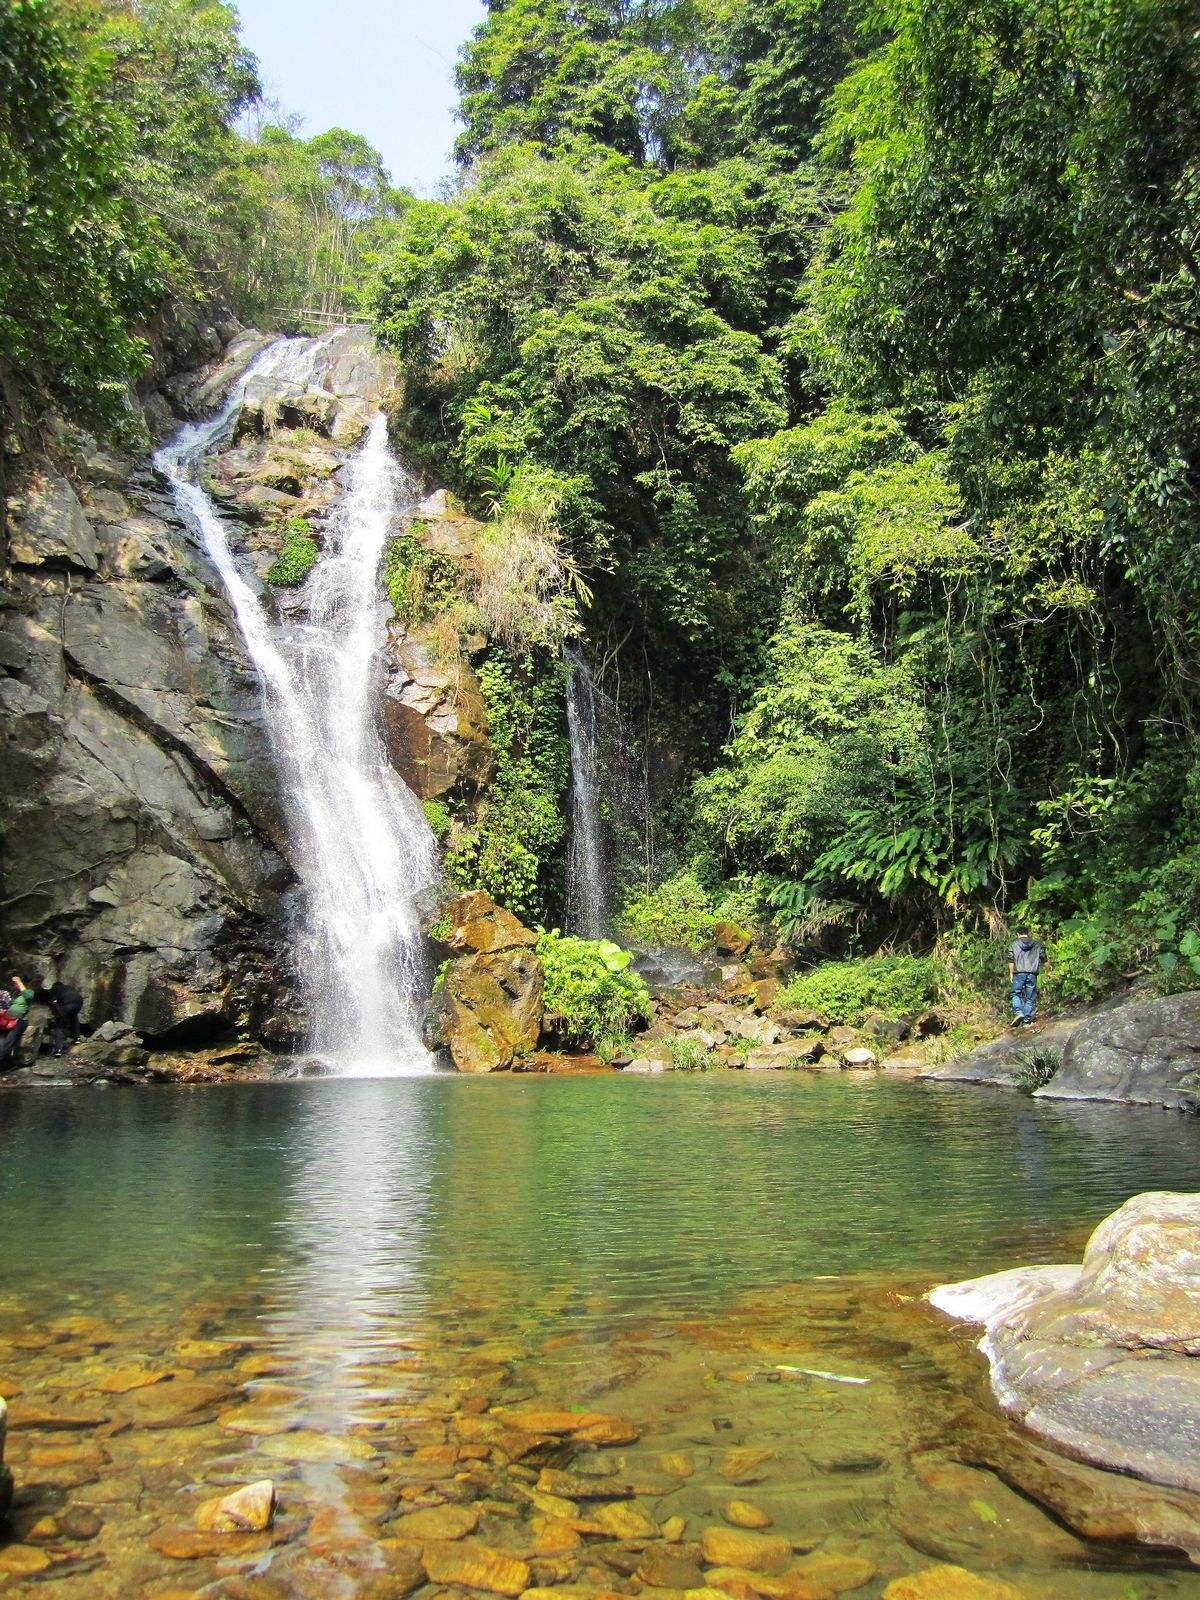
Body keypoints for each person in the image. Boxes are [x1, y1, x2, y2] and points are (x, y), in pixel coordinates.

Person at [1008, 930, 1047, 1027]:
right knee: (1030, 998)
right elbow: (1044, 958)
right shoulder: (1037, 945)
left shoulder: (1014, 945)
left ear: (1018, 934)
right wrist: (1049, 969)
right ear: (1028, 933)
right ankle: (1026, 1021)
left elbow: (1010, 959)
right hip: (1032, 973)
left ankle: (1019, 1012)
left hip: (1019, 973)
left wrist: (1011, 973)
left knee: (1016, 994)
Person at [0, 975, 35, 1067]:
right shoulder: (13, 994)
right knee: (3, 1041)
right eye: (14, 984)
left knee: (9, 1040)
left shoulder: (29, 992)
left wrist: (19, 982)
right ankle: (6, 1061)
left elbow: (28, 996)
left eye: (16, 984)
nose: (15, 985)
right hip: (6, 1021)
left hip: (20, 1021)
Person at [47, 980, 83, 1057]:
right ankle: (77, 1039)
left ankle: (58, 1050)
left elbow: (54, 1002)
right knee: (74, 1017)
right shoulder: (68, 987)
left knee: (57, 1026)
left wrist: (58, 1014)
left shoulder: (54, 989)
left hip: (68, 1005)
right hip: (79, 1002)